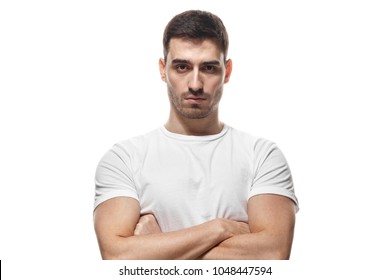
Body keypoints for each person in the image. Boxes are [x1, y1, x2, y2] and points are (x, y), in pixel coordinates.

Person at [93, 10, 298, 260]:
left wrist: (156, 245)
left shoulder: (262, 155)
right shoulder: (124, 158)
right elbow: (118, 257)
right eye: (182, 66)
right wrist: (220, 228)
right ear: (162, 69)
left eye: (209, 68)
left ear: (228, 71)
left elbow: (273, 253)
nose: (195, 84)